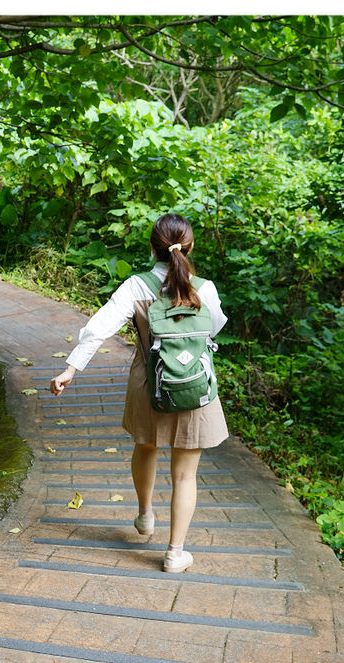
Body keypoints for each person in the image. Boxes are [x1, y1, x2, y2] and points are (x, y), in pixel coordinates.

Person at [49, 213, 228, 573]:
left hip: (150, 382)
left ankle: (146, 515)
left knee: (146, 445)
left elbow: (98, 327)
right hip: (194, 385)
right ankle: (175, 553)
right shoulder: (204, 288)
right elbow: (216, 328)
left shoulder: (136, 286)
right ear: (190, 246)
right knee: (185, 474)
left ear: (152, 248)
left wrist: (71, 369)